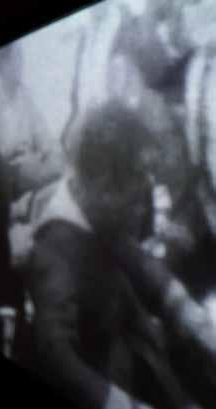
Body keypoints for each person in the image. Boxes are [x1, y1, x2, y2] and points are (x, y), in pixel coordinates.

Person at [24, 103, 196, 409]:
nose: (141, 211)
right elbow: (56, 354)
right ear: (103, 188)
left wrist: (187, 310)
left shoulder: (94, 204)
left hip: (138, 349)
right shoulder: (53, 248)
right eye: (133, 202)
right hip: (113, 378)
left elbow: (133, 256)